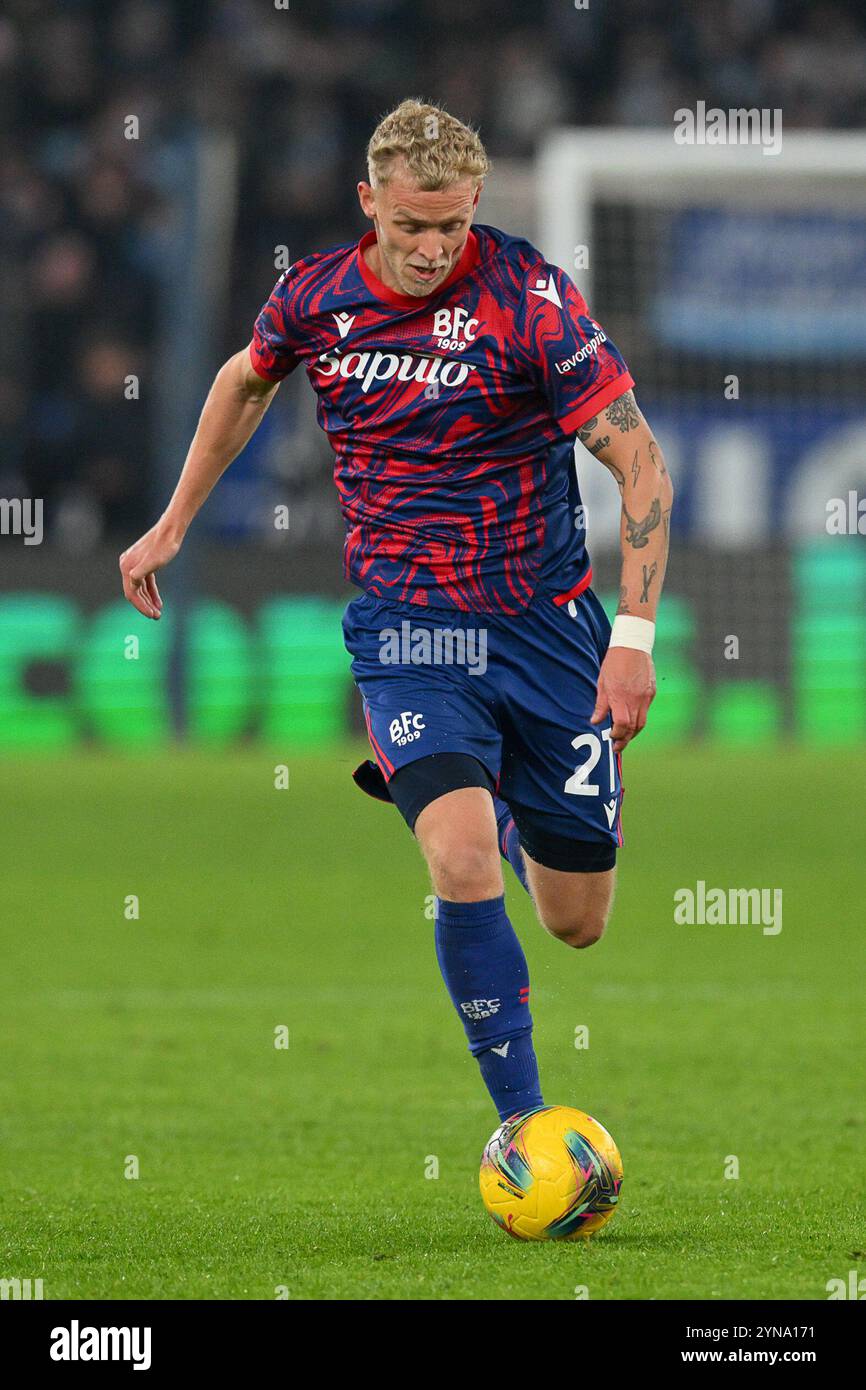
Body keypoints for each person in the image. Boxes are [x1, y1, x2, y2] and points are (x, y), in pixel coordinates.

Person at [120, 99, 673, 1124]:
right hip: (407, 627)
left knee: (575, 919)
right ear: (368, 202)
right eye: (409, 226)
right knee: (457, 862)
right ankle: (523, 1123)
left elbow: (637, 462)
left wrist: (632, 640)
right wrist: (171, 521)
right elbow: (247, 381)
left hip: (545, 625)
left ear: (475, 207)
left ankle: (514, 798)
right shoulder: (317, 298)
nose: (429, 249)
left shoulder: (531, 299)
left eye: (450, 227)